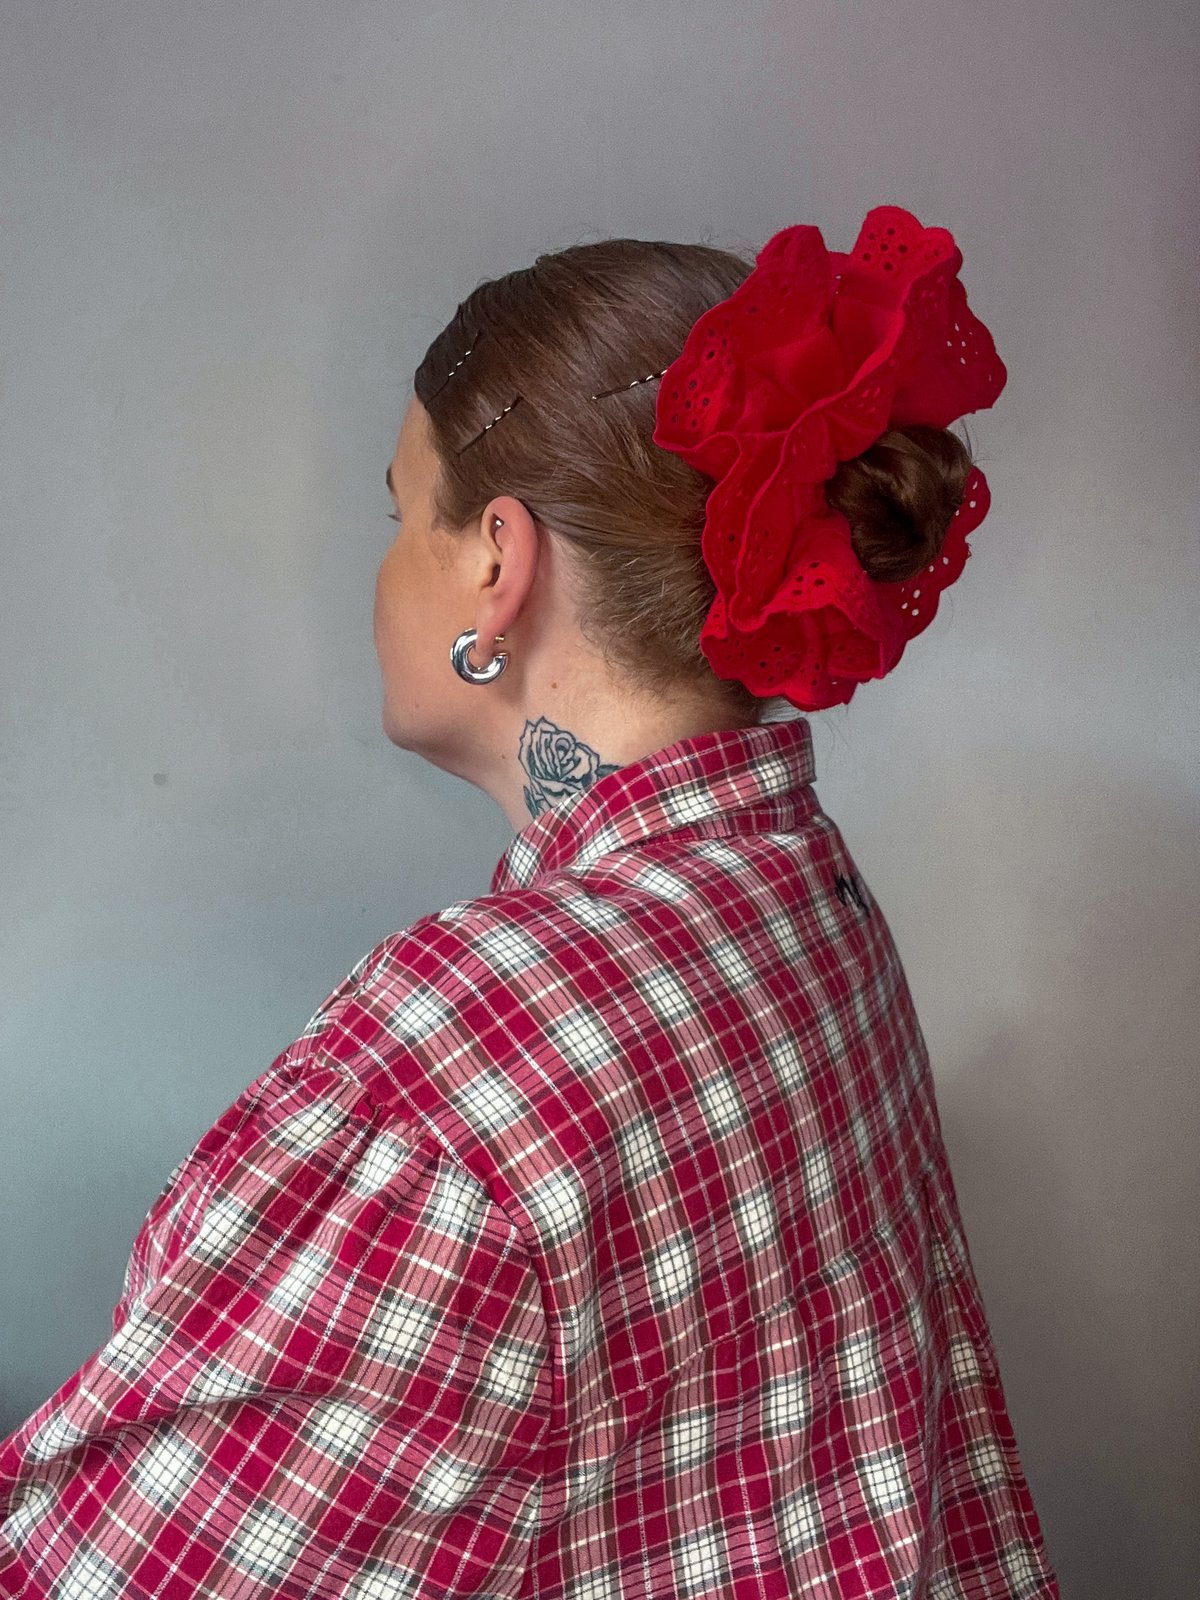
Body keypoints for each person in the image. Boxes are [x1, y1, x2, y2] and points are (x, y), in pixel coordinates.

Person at [0, 207, 1061, 1598]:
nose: (381, 573)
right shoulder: (801, 886)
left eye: (399, 515)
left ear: (497, 563)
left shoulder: (465, 1058)